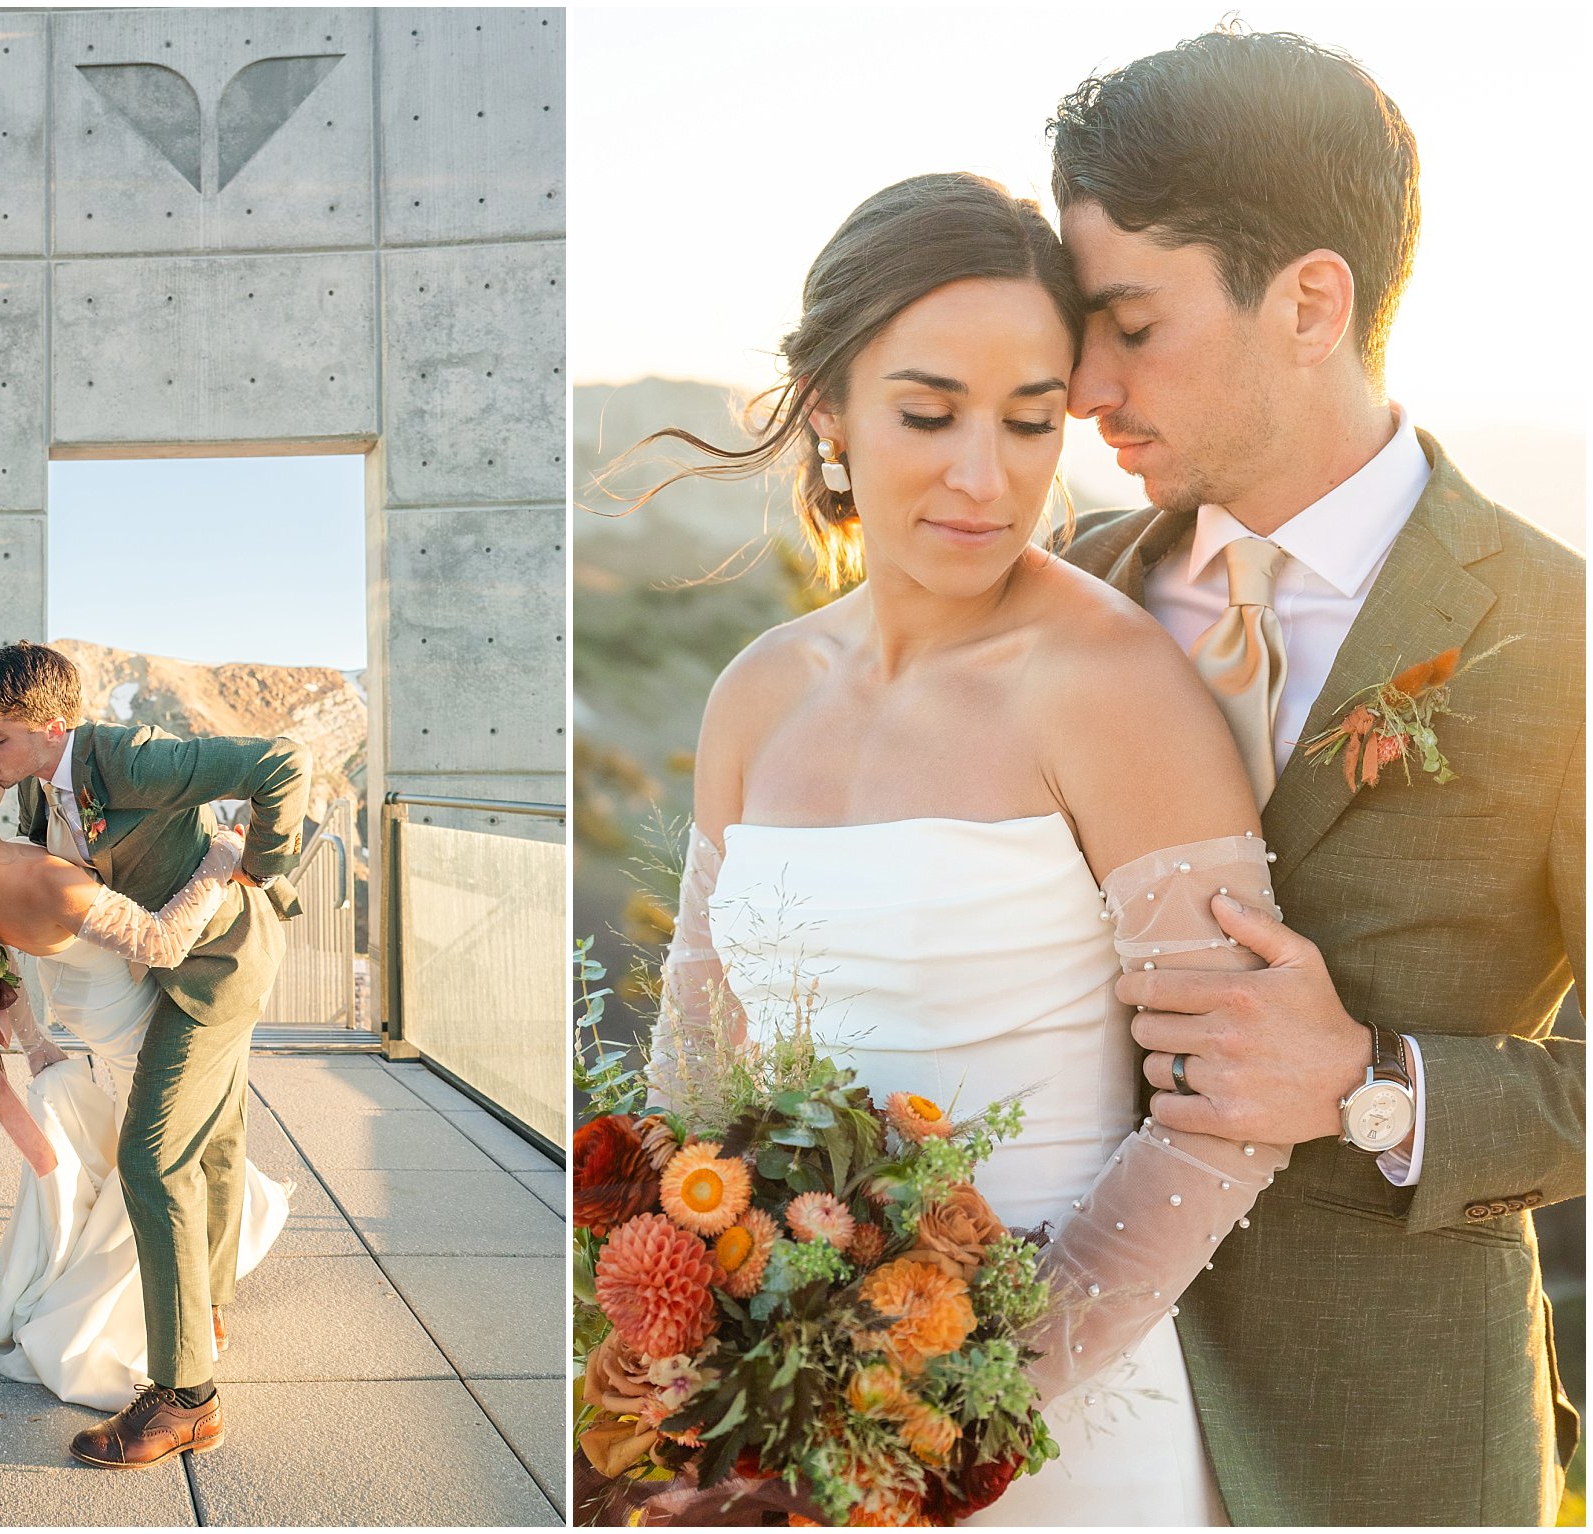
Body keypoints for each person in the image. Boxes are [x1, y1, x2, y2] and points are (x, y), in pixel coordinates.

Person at [640, 171, 1288, 1526]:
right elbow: (694, 1064)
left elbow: (1229, 1111)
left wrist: (961, 1403)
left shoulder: (1113, 684)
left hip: (1048, 1430)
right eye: (928, 414)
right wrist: (708, 1363)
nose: (986, 477)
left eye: (1033, 421)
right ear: (827, 406)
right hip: (784, 1416)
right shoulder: (756, 693)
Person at [1050, 29, 1581, 1524]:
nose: (1087, 383)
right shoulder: (1069, 592)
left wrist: (1370, 1083)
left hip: (1392, 1446)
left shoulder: (1561, 630)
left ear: (1310, 301)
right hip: (1053, 1419)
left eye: (1132, 324)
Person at [0, 751, 293, 1414]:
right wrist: (222, 857)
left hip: (94, 1019)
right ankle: (166, 1324)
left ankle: (203, 1303)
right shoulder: (32, 874)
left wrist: (37, 1046)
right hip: (134, 1027)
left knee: (192, 1149)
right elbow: (158, 943)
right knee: (160, 1169)